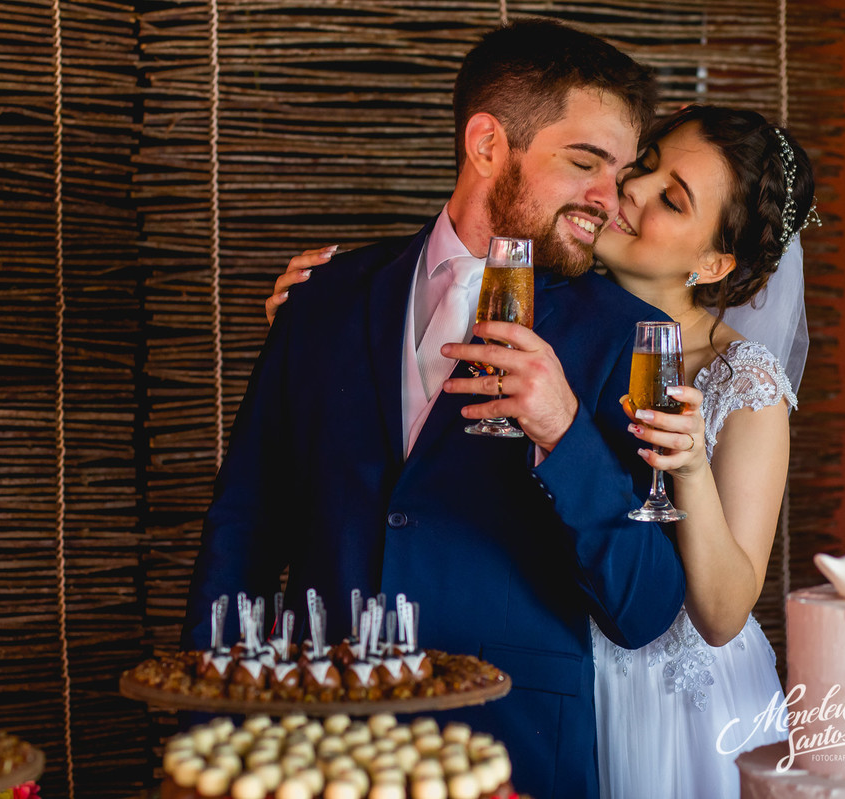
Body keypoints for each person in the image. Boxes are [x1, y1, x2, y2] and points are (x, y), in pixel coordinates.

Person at [182, 20, 687, 799]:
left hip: (513, 744)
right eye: (584, 163)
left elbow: (645, 607)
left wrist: (562, 432)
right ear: (487, 145)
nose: (607, 200)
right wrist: (209, 735)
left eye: (618, 175)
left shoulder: (622, 336)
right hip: (317, 743)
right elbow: (244, 526)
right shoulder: (325, 298)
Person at [268, 105, 817, 799]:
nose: (631, 192)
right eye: (643, 166)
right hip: (539, 663)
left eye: (672, 199)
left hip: (665, 699)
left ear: (713, 262)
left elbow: (722, 612)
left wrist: (691, 469)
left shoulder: (744, 381)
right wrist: (329, 318)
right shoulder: (532, 299)